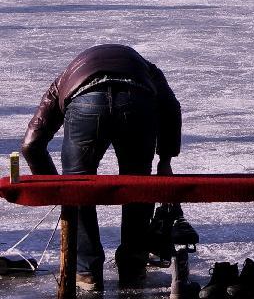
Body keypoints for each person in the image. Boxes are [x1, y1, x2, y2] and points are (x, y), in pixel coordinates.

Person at [20, 44, 183, 291]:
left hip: (85, 103)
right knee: (138, 186)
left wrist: (55, 189)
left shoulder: (64, 78)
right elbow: (171, 108)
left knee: (77, 188)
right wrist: (165, 160)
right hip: (137, 102)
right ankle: (133, 266)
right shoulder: (149, 70)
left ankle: (86, 271)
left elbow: (31, 144)